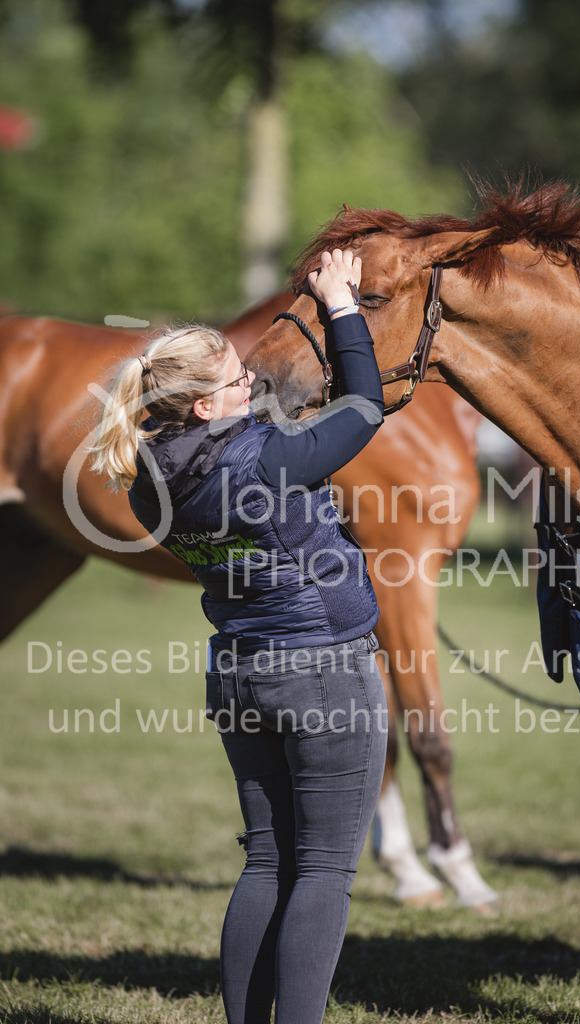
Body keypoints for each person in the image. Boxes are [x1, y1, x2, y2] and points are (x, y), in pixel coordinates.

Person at [90, 248, 388, 1024]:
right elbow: (365, 404)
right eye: (235, 381)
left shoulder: (148, 479)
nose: (252, 383)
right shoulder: (267, 459)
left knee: (268, 860)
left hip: (238, 672)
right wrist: (341, 305)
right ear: (200, 407)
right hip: (322, 672)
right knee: (324, 869)